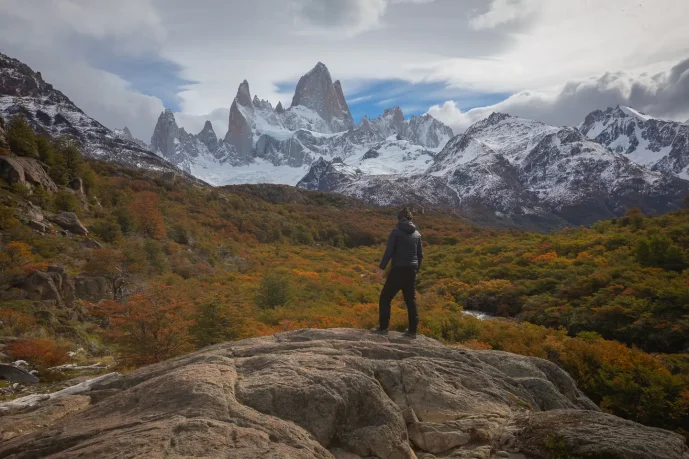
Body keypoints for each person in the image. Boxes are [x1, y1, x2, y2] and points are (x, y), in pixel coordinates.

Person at [372, 207, 423, 338]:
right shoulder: (417, 234)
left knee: (385, 298)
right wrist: (415, 271)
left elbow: (389, 252)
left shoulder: (396, 232)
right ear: (411, 219)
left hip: (398, 270)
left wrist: (381, 269)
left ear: (399, 219)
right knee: (410, 300)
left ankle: (383, 329)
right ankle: (413, 331)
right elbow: (420, 255)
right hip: (411, 270)